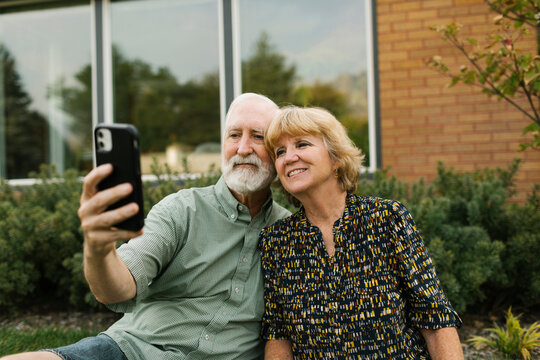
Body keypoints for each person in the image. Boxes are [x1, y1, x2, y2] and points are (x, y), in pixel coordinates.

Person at [1, 93, 290, 360]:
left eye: (257, 137)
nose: (242, 148)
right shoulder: (180, 210)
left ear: (277, 151)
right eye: (234, 135)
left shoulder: (289, 230)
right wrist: (98, 249)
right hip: (135, 350)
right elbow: (118, 287)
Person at [259, 106, 464, 359]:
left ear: (335, 158)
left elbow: (435, 318)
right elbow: (279, 335)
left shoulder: (387, 220)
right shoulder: (277, 242)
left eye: (301, 144)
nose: (289, 157)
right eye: (280, 152)